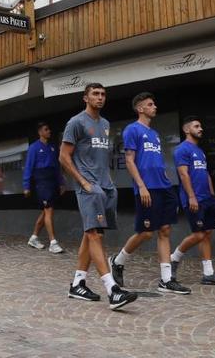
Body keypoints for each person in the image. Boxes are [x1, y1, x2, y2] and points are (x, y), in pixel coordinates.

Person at [60, 83, 138, 310]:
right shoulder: (75, 122)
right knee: (94, 234)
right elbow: (64, 157)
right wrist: (83, 182)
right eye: (95, 94)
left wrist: (108, 182)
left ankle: (78, 283)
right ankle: (112, 290)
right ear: (86, 98)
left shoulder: (105, 124)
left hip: (105, 187)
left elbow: (99, 158)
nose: (100, 97)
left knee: (91, 233)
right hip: (88, 187)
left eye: (103, 94)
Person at [111, 92, 192, 295]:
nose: (154, 107)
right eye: (150, 104)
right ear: (140, 108)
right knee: (146, 232)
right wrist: (141, 186)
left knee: (165, 230)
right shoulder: (132, 129)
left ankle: (166, 280)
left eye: (154, 104)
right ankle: (118, 261)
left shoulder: (155, 134)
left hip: (164, 187)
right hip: (146, 188)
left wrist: (166, 179)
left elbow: (156, 161)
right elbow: (129, 160)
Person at [170, 117, 215, 286]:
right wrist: (191, 197)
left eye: (201, 126)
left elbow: (205, 173)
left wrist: (212, 195)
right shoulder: (181, 149)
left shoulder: (200, 151)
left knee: (207, 233)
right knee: (199, 234)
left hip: (208, 199)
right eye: (196, 126)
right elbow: (183, 174)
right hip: (193, 199)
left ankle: (208, 273)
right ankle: (174, 258)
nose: (201, 129)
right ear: (186, 129)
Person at [23, 121, 66, 254]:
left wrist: (61, 183)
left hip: (52, 181)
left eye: (49, 129)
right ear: (40, 132)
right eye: (46, 129)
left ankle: (34, 238)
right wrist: (26, 185)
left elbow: (57, 168)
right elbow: (28, 167)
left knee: (46, 211)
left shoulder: (53, 148)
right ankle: (53, 242)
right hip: (41, 181)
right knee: (48, 210)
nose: (49, 131)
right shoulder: (34, 147)